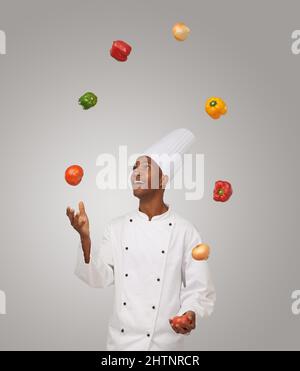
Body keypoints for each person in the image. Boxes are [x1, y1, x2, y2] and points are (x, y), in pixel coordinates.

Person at [66, 128, 216, 351]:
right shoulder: (117, 228)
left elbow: (199, 288)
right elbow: (100, 278)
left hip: (166, 346)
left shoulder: (185, 231)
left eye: (145, 168)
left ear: (163, 179)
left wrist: (190, 313)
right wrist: (85, 239)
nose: (135, 173)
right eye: (134, 167)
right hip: (120, 346)